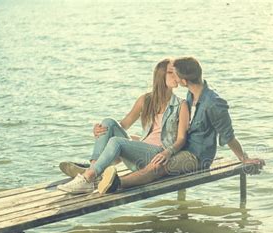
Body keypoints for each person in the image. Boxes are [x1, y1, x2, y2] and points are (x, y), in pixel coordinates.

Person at [97, 56, 264, 194]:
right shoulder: (192, 95)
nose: (174, 78)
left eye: (175, 75)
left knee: (158, 167)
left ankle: (116, 183)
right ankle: (95, 170)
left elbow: (229, 136)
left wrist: (244, 158)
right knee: (136, 142)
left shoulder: (214, 103)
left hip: (197, 156)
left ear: (184, 81)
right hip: (183, 149)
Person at [57, 58, 189, 194]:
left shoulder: (181, 105)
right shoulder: (145, 100)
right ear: (161, 76)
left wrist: (167, 152)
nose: (176, 76)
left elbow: (181, 139)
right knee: (108, 122)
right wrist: (99, 129)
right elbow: (124, 124)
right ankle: (92, 173)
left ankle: (88, 177)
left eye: (176, 73)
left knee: (117, 142)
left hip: (156, 155)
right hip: (138, 152)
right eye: (170, 73)